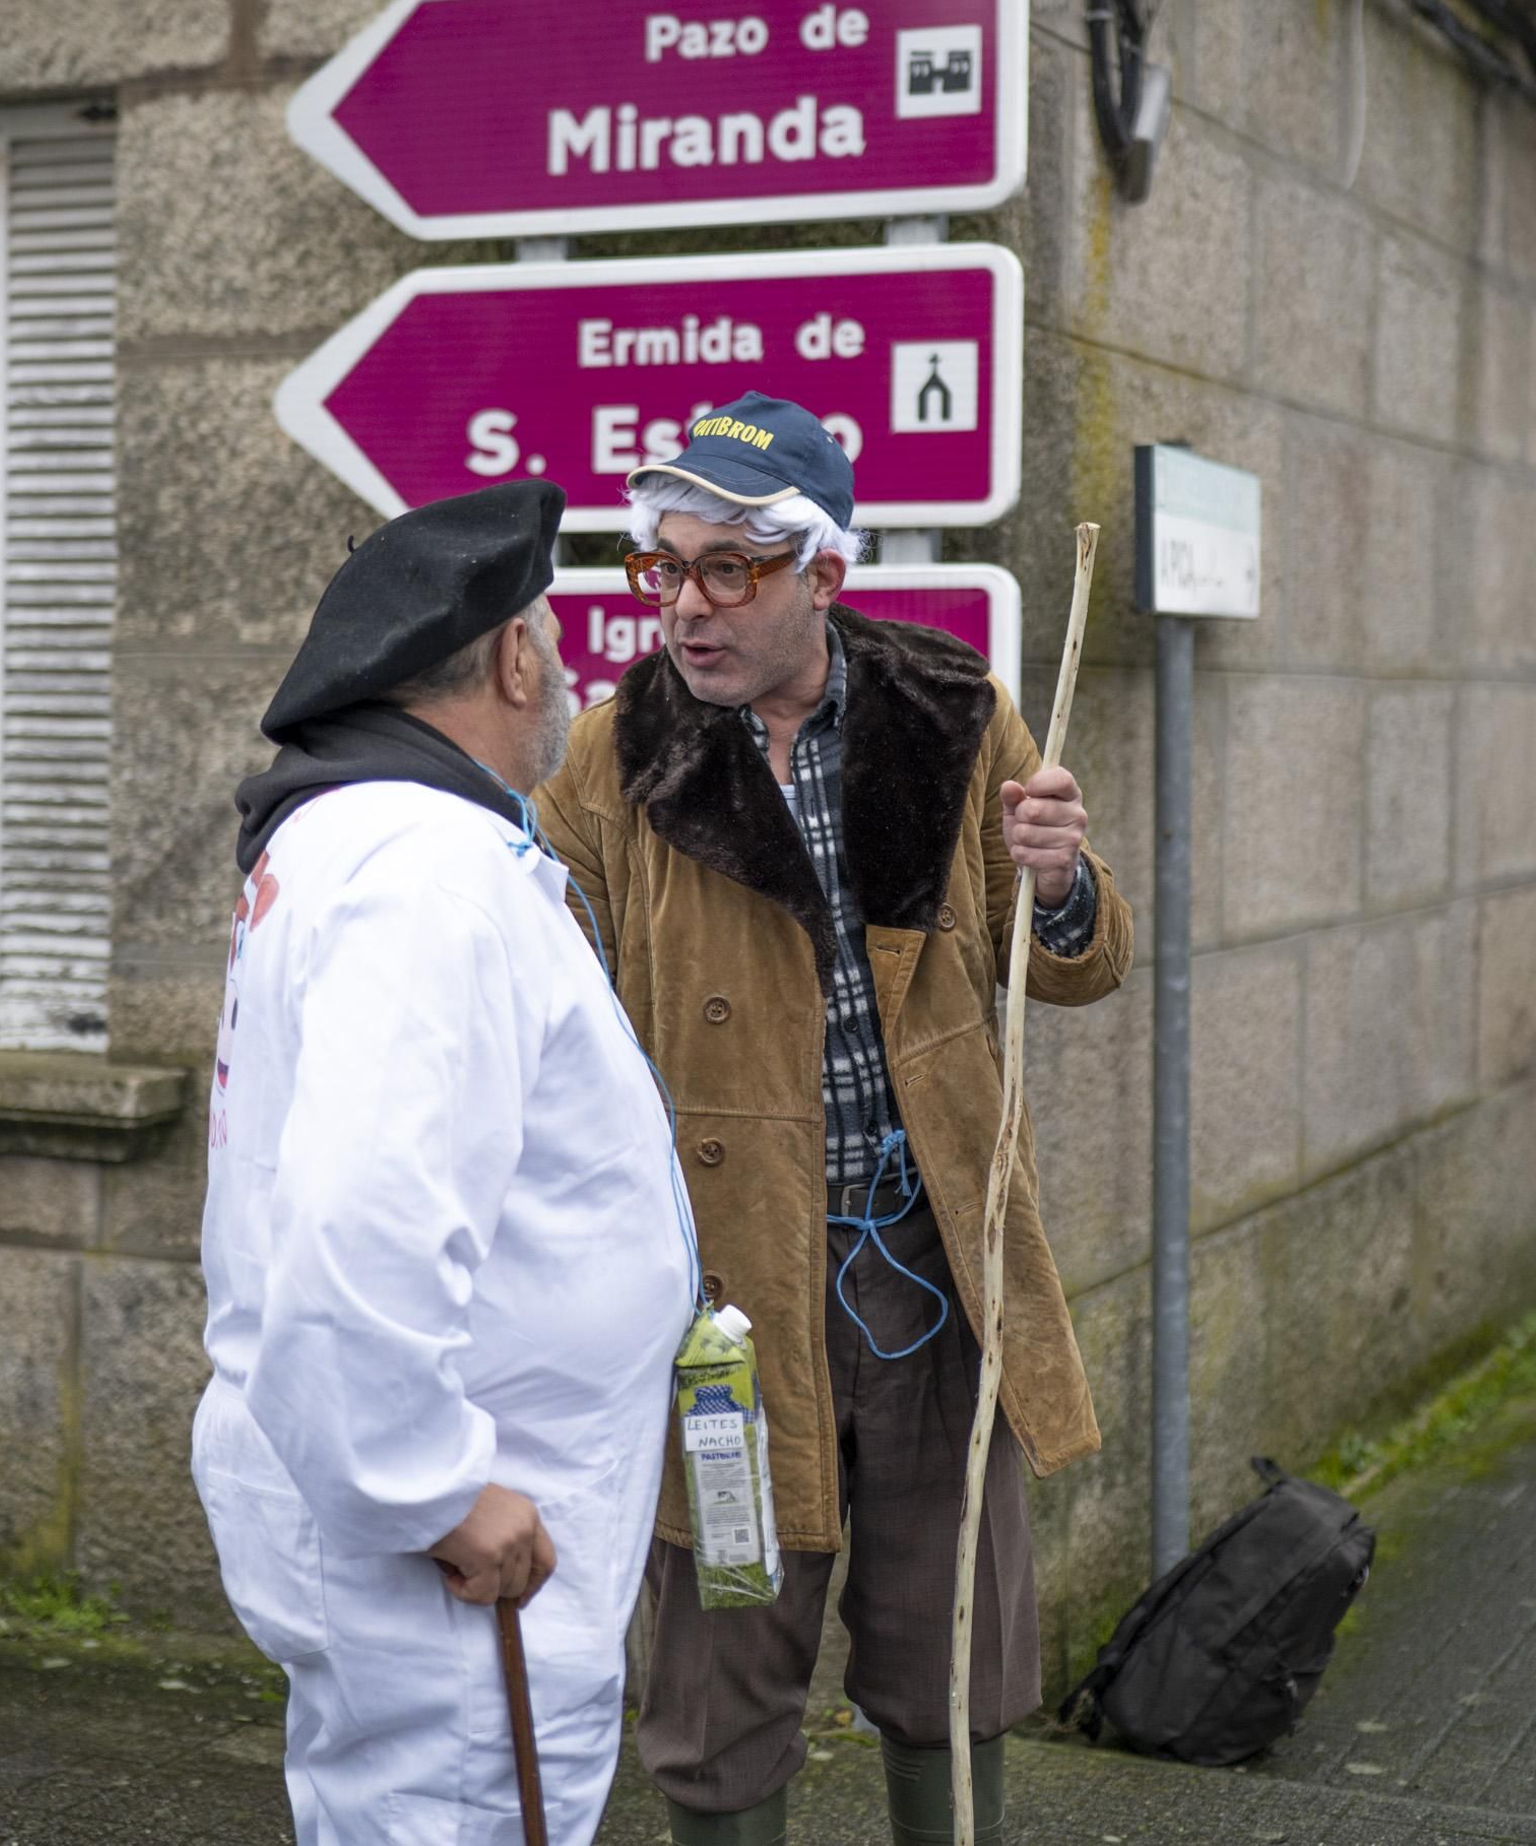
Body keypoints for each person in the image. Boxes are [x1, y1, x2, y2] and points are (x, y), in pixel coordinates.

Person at [535, 395, 1134, 1846]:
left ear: (824, 578)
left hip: (931, 1272)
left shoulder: (956, 711)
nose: (685, 604)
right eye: (662, 567)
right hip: (724, 1299)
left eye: (727, 568)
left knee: (951, 1652)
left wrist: (1059, 884)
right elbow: (546, 1026)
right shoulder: (616, 757)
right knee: (724, 1654)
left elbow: (1080, 966)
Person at [194, 479, 695, 1846]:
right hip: (468, 1551)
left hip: (457, 1521)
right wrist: (433, 1488)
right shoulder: (423, 872)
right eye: (556, 638)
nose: (575, 672)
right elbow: (363, 1214)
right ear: (511, 657)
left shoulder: (360, 842)